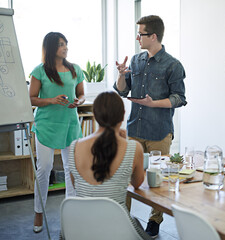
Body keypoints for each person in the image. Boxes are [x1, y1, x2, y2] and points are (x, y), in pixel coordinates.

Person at [113, 15, 187, 237]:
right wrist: (121, 75)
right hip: (134, 129)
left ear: (153, 36)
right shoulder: (136, 61)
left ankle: (154, 221)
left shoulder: (172, 65)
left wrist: (153, 103)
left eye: (141, 34)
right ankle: (121, 219)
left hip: (159, 132)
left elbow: (179, 98)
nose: (138, 38)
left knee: (159, 179)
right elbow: (122, 91)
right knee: (125, 174)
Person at [67, 91, 150, 240]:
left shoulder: (75, 147)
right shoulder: (133, 148)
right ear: (123, 114)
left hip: (80, 229)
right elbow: (137, 183)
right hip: (118, 230)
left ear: (95, 114)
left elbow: (75, 185)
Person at [29, 32, 85, 233]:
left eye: (66, 44)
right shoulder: (40, 71)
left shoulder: (75, 69)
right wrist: (52, 100)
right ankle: (38, 212)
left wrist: (80, 100)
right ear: (52, 47)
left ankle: (71, 213)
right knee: (44, 168)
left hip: (70, 124)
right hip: (46, 125)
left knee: (72, 169)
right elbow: (32, 99)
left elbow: (81, 93)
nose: (65, 47)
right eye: (61, 44)